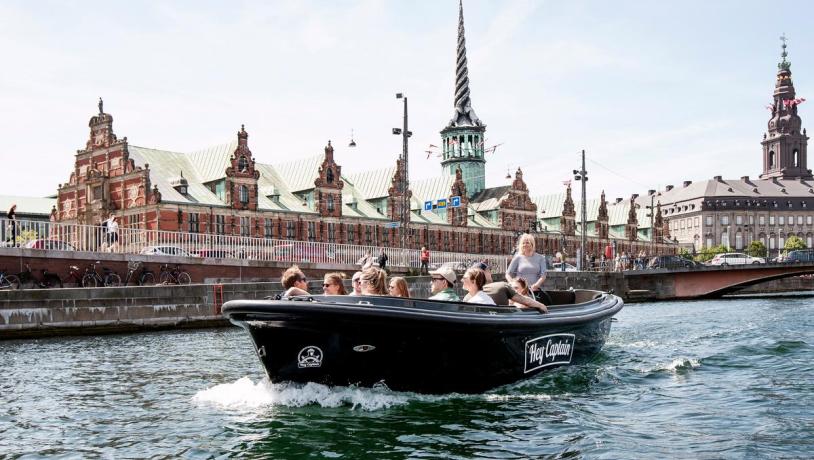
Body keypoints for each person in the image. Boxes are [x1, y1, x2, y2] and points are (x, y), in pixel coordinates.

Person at [506, 233, 550, 304]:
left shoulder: (540, 258)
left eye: (527, 243)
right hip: (521, 291)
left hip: (534, 290)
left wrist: (536, 285)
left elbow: (543, 275)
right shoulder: (518, 257)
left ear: (532, 244)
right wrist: (513, 284)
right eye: (523, 243)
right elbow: (508, 274)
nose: (525, 245)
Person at [482, 280, 548, 313]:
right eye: (511, 288)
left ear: (523, 290)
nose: (512, 290)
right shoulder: (507, 301)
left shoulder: (521, 304)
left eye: (516, 288)